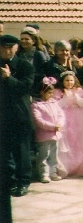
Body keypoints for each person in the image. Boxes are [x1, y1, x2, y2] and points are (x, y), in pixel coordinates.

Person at [0, 34, 34, 196]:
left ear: (16, 48)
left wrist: (9, 78)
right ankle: (9, 181)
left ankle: (23, 182)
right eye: (4, 47)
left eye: (10, 47)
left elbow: (25, 87)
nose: (7, 50)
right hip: (2, 114)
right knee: (4, 151)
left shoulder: (24, 66)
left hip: (19, 114)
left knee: (21, 150)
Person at [54, 71, 83, 177]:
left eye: (71, 80)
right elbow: (57, 105)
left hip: (78, 117)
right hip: (64, 116)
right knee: (66, 141)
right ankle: (65, 167)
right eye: (67, 80)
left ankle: (80, 166)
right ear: (62, 81)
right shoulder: (58, 92)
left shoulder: (80, 91)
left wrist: (75, 95)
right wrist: (65, 98)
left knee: (79, 141)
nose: (69, 82)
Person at [31, 77, 65, 183]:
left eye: (52, 93)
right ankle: (44, 173)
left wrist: (59, 124)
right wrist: (52, 126)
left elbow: (61, 114)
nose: (51, 95)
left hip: (55, 134)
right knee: (43, 155)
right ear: (42, 92)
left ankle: (53, 172)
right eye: (49, 93)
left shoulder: (54, 103)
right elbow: (39, 121)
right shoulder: (36, 105)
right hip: (44, 135)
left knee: (53, 154)